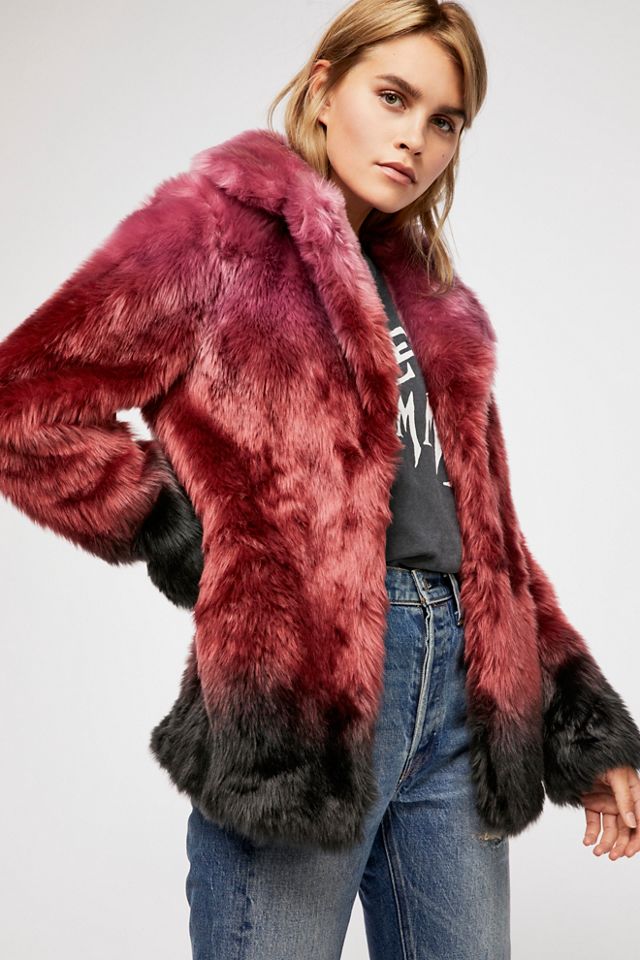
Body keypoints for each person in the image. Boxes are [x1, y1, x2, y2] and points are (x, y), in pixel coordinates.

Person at [1, 2, 639, 958]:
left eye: (444, 120)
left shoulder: (440, 305)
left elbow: (491, 543)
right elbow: (24, 404)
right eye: (393, 97)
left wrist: (581, 727)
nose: (415, 138)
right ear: (324, 87)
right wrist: (186, 536)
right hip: (301, 709)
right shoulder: (211, 235)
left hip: (460, 708)